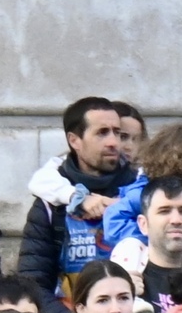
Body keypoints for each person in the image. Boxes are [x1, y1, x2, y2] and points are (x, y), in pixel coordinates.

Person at [19, 96, 136, 296]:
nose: (113, 142)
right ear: (74, 140)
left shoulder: (141, 191)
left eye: (117, 133)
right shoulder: (50, 202)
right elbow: (33, 284)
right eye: (102, 133)